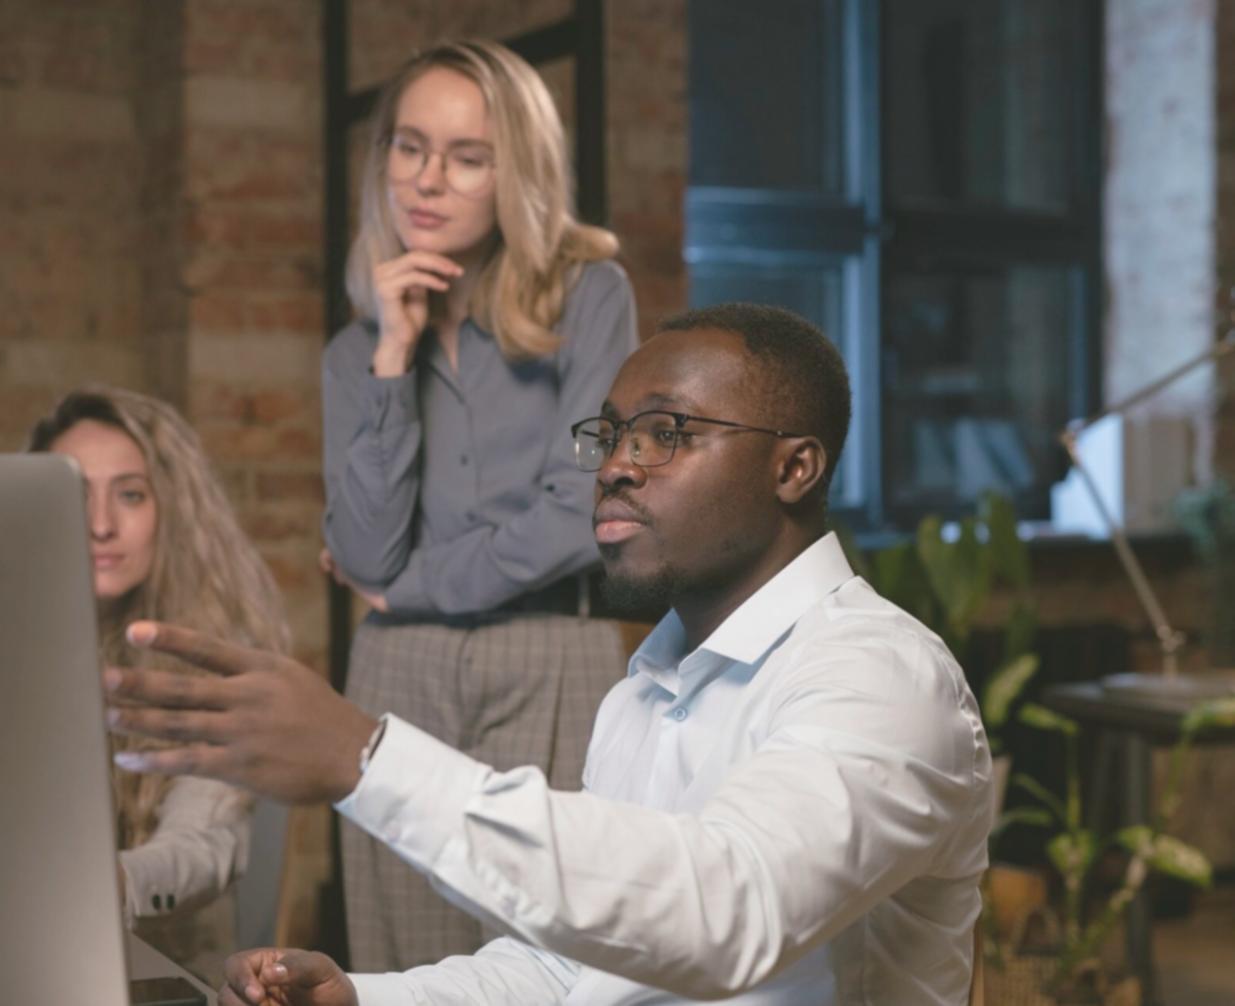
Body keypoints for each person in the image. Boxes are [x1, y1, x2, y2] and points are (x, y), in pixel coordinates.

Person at [104, 304, 995, 1005]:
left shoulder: (879, 678)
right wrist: (365, 997)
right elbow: (574, 972)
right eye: (609, 435)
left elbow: (725, 912)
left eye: (666, 433)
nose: (615, 465)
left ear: (794, 469)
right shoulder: (642, 692)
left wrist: (360, 757)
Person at [321, 37, 639, 971]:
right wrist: (391, 357)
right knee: (403, 965)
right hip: (397, 674)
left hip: (552, 655)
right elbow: (366, 552)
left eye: (466, 157)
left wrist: (412, 586)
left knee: (554, 961)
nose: (427, 180)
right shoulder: (354, 352)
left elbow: (585, 499)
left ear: (517, 171)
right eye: (408, 147)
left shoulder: (591, 300)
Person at [28, 387, 290, 982]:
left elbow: (203, 848)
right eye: (72, 494)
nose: (100, 525)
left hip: (161, 979)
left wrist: (114, 881)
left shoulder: (217, 659)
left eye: (130, 495)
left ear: (171, 509)